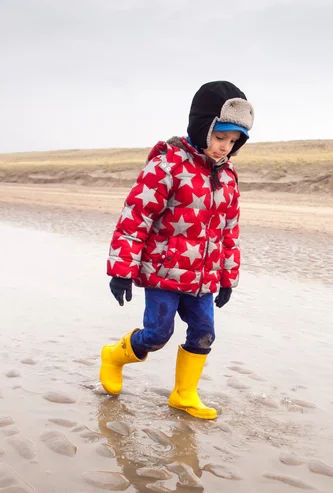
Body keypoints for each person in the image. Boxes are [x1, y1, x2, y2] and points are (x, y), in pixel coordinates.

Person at [99, 80, 254, 420]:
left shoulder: (227, 178)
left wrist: (227, 277)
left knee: (204, 333)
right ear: (203, 127)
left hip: (203, 278)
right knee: (157, 335)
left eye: (232, 142)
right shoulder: (168, 166)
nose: (224, 148)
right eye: (219, 137)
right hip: (162, 273)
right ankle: (113, 356)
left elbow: (229, 232)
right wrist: (121, 271)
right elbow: (135, 218)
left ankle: (184, 393)